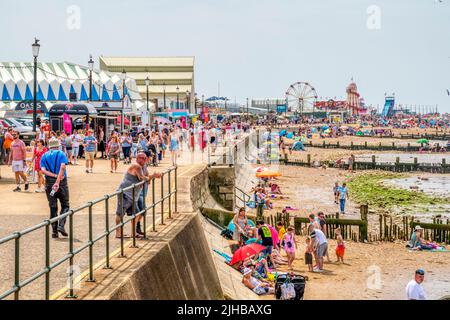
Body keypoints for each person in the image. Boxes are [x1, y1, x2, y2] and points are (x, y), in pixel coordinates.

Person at [115, 152, 160, 238]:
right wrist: (153, 176)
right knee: (120, 214)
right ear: (137, 158)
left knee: (137, 214)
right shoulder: (136, 166)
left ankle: (133, 233)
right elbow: (142, 178)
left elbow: (147, 179)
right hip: (125, 193)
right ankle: (118, 233)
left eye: (144, 158)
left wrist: (151, 176)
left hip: (133, 195)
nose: (143, 160)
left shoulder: (143, 167)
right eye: (141, 158)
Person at [40, 138, 69, 238]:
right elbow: (63, 167)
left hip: (49, 184)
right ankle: (61, 225)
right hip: (61, 183)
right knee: (65, 205)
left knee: (53, 207)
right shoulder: (61, 154)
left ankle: (54, 231)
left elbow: (43, 170)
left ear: (49, 146)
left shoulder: (44, 155)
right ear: (58, 145)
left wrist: (53, 176)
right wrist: (58, 179)